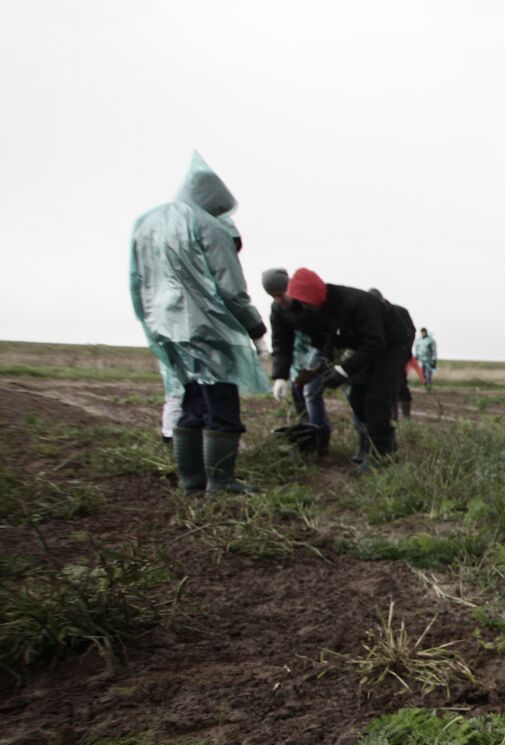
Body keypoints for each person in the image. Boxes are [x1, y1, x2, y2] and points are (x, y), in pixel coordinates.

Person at [130, 151, 268, 494]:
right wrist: (256, 330)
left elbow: (138, 280)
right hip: (208, 328)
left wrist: (153, 323)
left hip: (166, 327)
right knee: (222, 406)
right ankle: (221, 484)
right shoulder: (210, 225)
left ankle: (192, 482)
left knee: (190, 401)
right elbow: (231, 288)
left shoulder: (148, 222)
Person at [271, 269, 413, 471]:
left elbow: (375, 343)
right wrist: (324, 367)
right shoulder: (322, 308)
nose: (302, 306)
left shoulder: (356, 302)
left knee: (376, 400)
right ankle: (383, 446)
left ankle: (383, 460)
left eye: (304, 301)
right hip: (368, 347)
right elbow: (333, 340)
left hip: (392, 346)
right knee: (357, 397)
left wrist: (343, 370)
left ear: (313, 294)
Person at [262, 268, 331, 455]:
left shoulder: (308, 299)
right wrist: (280, 376)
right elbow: (281, 343)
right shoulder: (278, 310)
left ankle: (323, 438)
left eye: (280, 294)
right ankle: (313, 436)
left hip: (328, 344)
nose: (278, 299)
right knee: (303, 391)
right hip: (307, 348)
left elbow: (330, 329)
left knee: (313, 391)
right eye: (273, 296)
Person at [368, 289, 416, 421]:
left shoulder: (399, 311)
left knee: (400, 385)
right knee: (386, 387)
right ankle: (392, 417)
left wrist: (404, 352)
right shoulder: (372, 313)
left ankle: (406, 419)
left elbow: (410, 333)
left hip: (400, 356)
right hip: (382, 356)